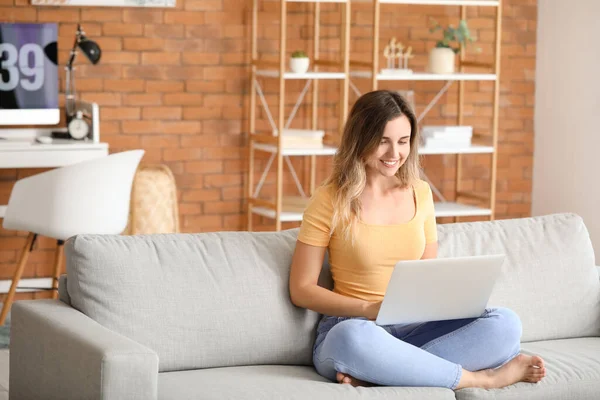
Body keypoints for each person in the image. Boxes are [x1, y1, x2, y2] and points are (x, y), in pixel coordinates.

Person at [288, 90, 546, 390]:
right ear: (361, 138)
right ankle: (479, 379)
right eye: (382, 140)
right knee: (352, 340)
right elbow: (301, 289)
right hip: (354, 326)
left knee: (506, 324)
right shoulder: (330, 199)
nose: (394, 153)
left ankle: (382, 373)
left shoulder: (420, 192)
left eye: (402, 141)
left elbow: (426, 275)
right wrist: (368, 309)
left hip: (415, 326)